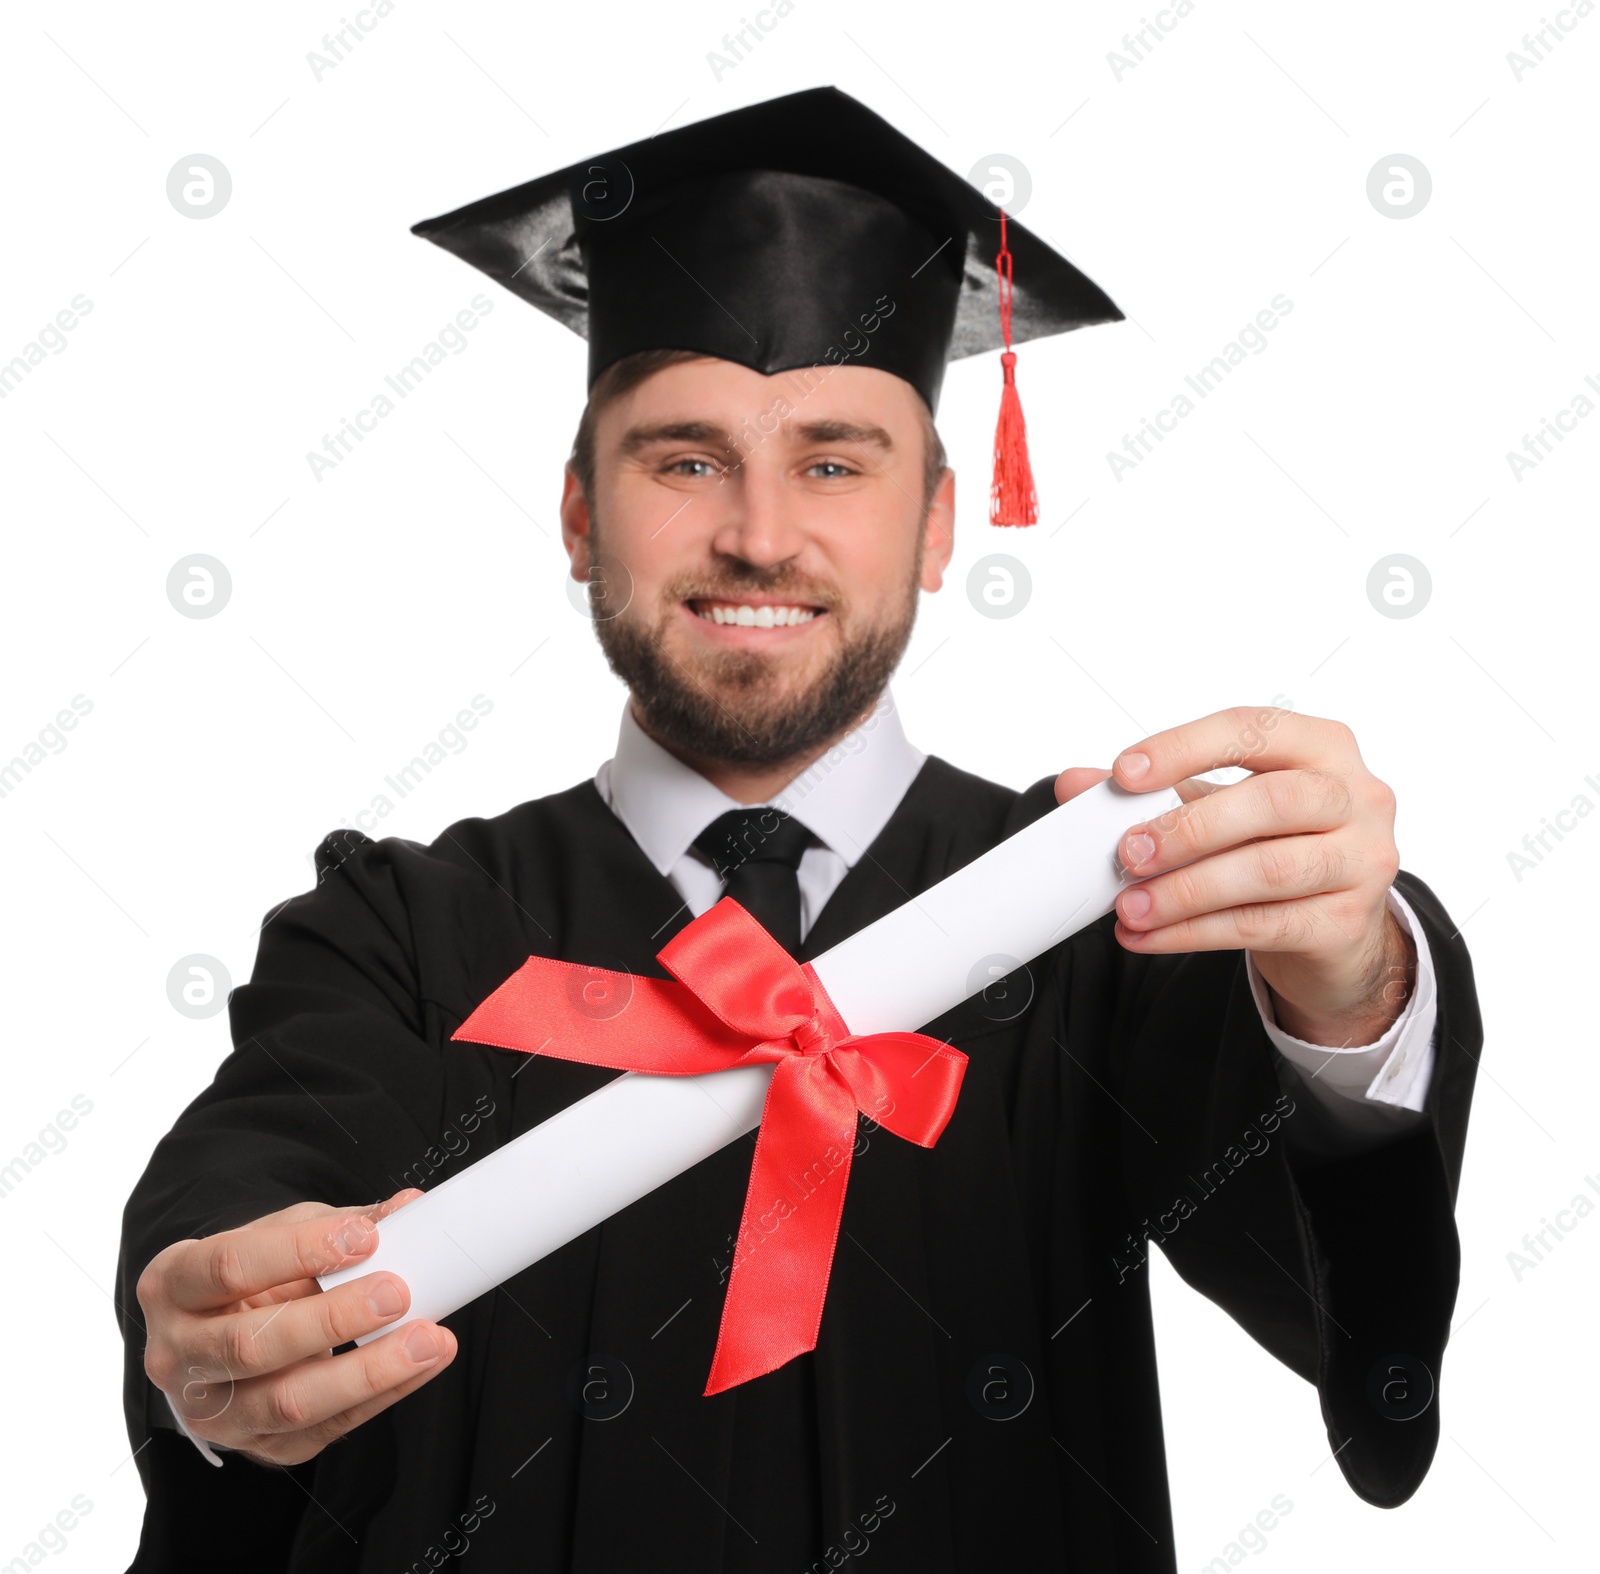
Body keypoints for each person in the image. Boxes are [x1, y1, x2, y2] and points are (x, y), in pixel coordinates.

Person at [116, 85, 1480, 1573]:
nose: (761, 532)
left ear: (939, 523)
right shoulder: (402, 930)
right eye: (685, 458)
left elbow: (1338, 1282)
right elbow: (253, 1176)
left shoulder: (1089, 914)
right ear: (579, 512)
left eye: (835, 460)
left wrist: (1354, 988)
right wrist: (218, 1337)